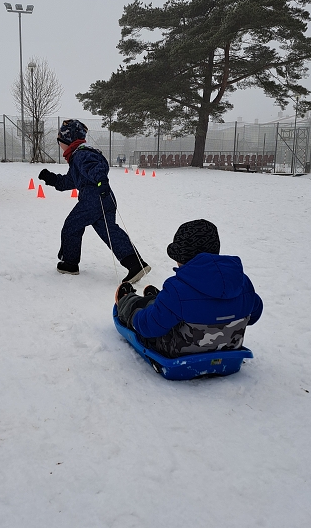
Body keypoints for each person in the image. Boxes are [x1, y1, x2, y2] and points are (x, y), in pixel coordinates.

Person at [115, 219, 262, 357]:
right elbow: (254, 314)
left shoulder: (177, 289)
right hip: (229, 346)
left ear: (182, 257)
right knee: (177, 305)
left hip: (179, 350)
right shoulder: (242, 283)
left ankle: (128, 301)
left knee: (145, 309)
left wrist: (134, 318)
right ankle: (159, 302)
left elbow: (149, 327)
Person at [38, 119, 151, 281]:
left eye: (60, 142)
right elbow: (69, 181)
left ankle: (70, 263)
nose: (60, 146)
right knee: (110, 232)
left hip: (94, 199)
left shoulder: (82, 154)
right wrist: (51, 179)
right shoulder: (78, 157)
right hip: (104, 198)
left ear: (68, 140)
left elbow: (97, 167)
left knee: (71, 226)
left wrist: (101, 181)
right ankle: (135, 263)